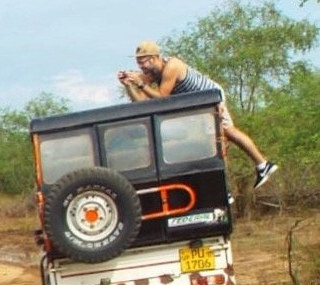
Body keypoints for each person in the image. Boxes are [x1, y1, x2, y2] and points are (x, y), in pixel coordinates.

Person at [117, 40, 278, 189]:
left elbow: (162, 99)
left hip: (210, 97)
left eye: (141, 61)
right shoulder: (152, 74)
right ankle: (252, 170)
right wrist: (129, 85)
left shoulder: (171, 66)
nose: (140, 66)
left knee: (221, 137)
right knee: (216, 140)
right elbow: (142, 104)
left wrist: (140, 84)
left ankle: (256, 168)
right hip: (197, 106)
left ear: (153, 58)